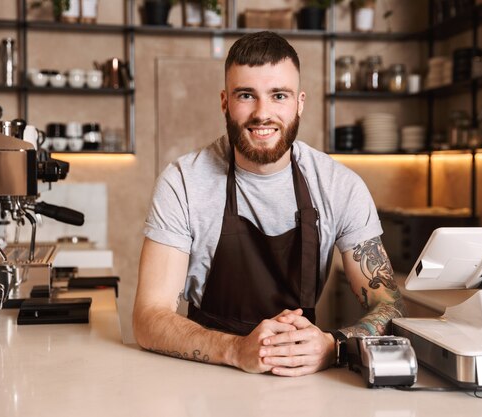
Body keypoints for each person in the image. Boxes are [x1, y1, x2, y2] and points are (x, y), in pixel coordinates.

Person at [133, 31, 406, 377]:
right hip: (204, 374)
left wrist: (332, 346)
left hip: (299, 376)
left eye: (279, 95)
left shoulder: (339, 186)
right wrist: (234, 349)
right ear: (224, 102)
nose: (263, 113)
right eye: (246, 95)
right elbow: (148, 318)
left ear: (299, 103)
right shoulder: (183, 182)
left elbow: (391, 306)